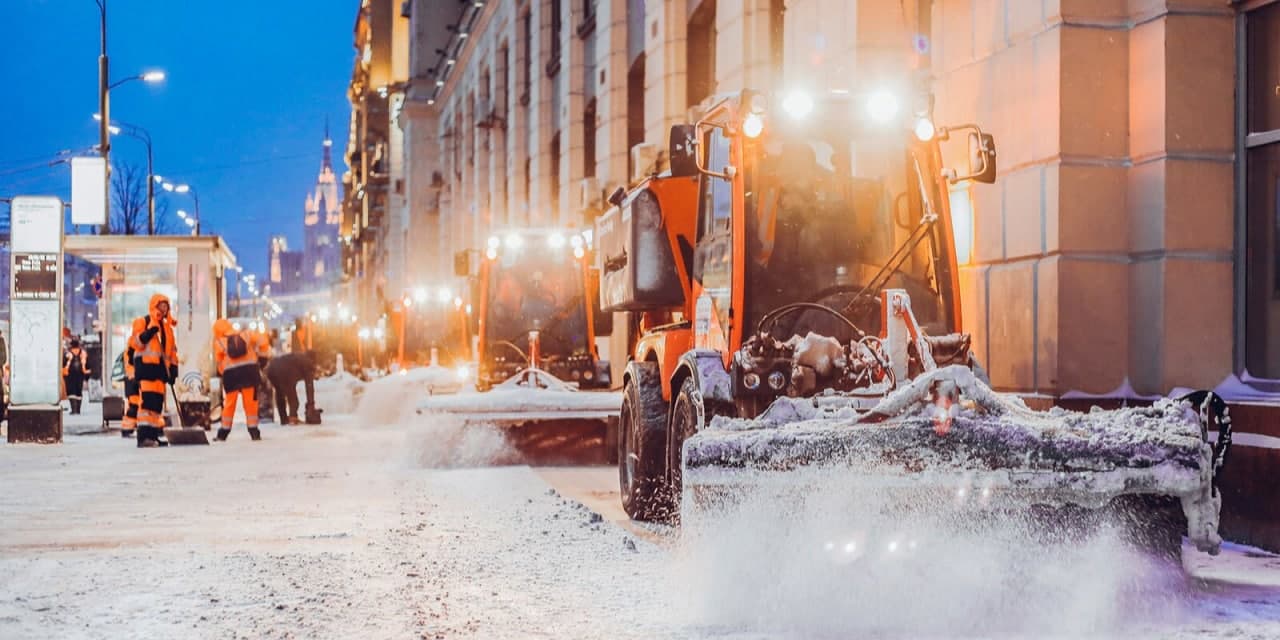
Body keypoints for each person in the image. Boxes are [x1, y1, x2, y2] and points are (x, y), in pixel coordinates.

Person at [128, 294, 178, 448]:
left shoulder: (167, 329)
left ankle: (153, 436)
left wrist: (173, 370)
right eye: (161, 306)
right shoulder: (143, 322)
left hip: (160, 373)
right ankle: (143, 437)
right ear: (154, 306)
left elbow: (172, 352)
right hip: (146, 369)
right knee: (147, 404)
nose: (163, 309)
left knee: (156, 405)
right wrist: (148, 333)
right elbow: (135, 343)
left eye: (166, 306)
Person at [213, 319, 270, 441]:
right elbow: (263, 340)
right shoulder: (247, 335)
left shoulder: (219, 342)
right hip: (249, 372)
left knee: (229, 403)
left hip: (231, 376)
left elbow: (219, 363)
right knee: (250, 403)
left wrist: (224, 374)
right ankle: (254, 431)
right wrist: (263, 357)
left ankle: (223, 432)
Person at [265, 351, 315, 425]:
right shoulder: (307, 362)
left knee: (279, 393)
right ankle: (292, 417)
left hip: (271, 368)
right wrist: (311, 404)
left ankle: (283, 419)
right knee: (293, 398)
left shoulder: (297, 358)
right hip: (285, 370)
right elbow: (309, 386)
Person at [62, 338, 90, 415]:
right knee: (78, 391)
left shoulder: (68, 353)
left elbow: (63, 364)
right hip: (80, 375)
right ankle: (78, 409)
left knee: (71, 392)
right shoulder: (83, 353)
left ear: (71, 345)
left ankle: (74, 409)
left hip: (70, 375)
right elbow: (87, 364)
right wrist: (87, 376)